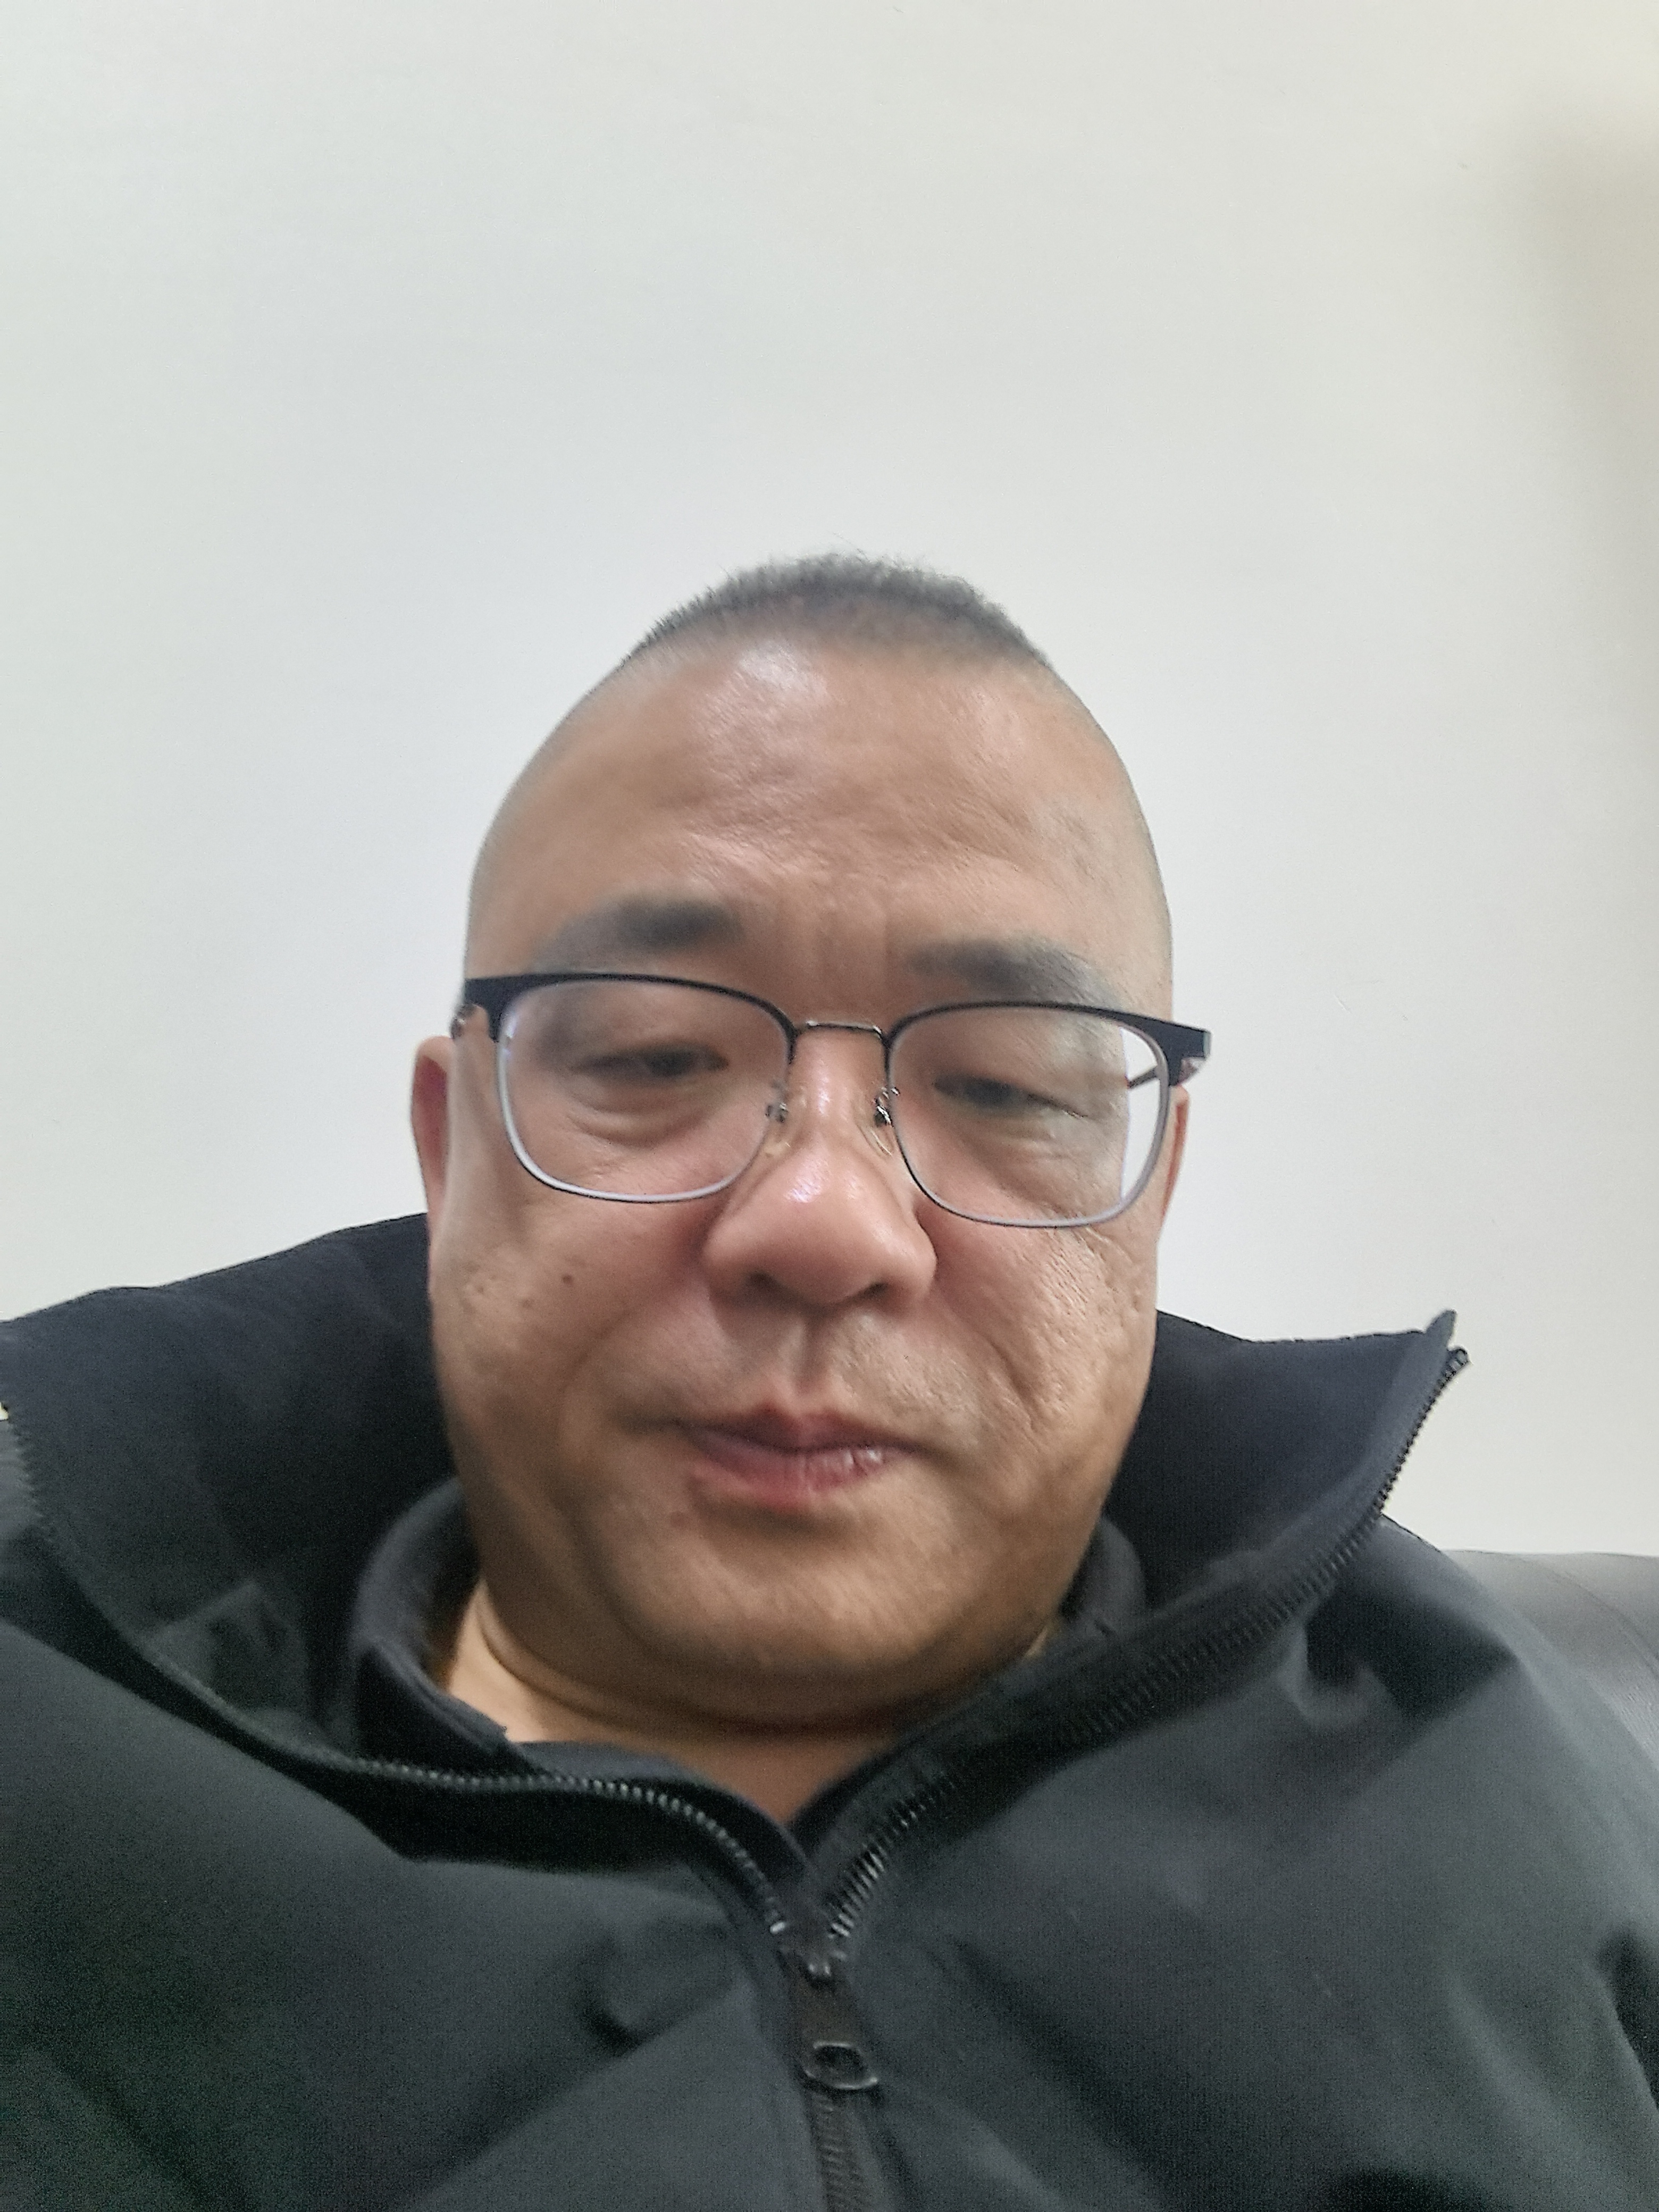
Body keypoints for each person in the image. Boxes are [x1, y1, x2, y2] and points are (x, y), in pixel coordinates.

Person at [2, 556, 1656, 2212]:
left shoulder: (1513, 1786)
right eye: (655, 1058)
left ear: (1148, 1197)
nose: (821, 1222)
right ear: (453, 1154)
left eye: (1006, 1088)